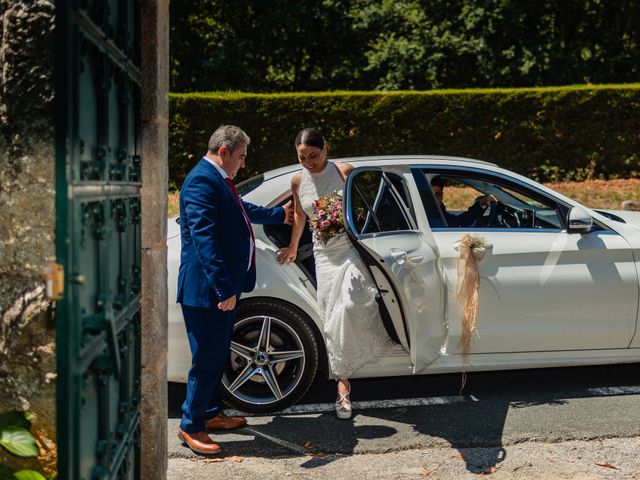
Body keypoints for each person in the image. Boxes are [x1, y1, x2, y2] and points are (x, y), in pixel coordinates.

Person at [177, 125, 293, 455]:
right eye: (240, 157)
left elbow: (240, 211)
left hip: (221, 289)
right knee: (207, 358)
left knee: (217, 353)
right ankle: (191, 426)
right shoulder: (201, 180)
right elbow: (204, 239)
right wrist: (222, 287)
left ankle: (210, 413)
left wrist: (277, 215)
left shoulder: (217, 179)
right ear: (223, 151)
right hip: (207, 291)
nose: (243, 164)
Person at [276, 128, 393, 420]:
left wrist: (341, 218)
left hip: (349, 249)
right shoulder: (297, 180)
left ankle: (368, 353)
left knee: (353, 304)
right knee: (331, 316)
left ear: (326, 149)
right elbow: (302, 216)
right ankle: (343, 385)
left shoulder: (344, 171)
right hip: (323, 254)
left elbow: (361, 211)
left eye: (313, 156)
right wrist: (292, 246)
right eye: (302, 157)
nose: (308, 163)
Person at [430, 175, 497, 228]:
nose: (434, 199)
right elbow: (459, 223)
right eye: (429, 194)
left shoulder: (440, 213)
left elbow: (459, 221)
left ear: (442, 195)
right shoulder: (428, 217)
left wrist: (481, 203)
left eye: (437, 194)